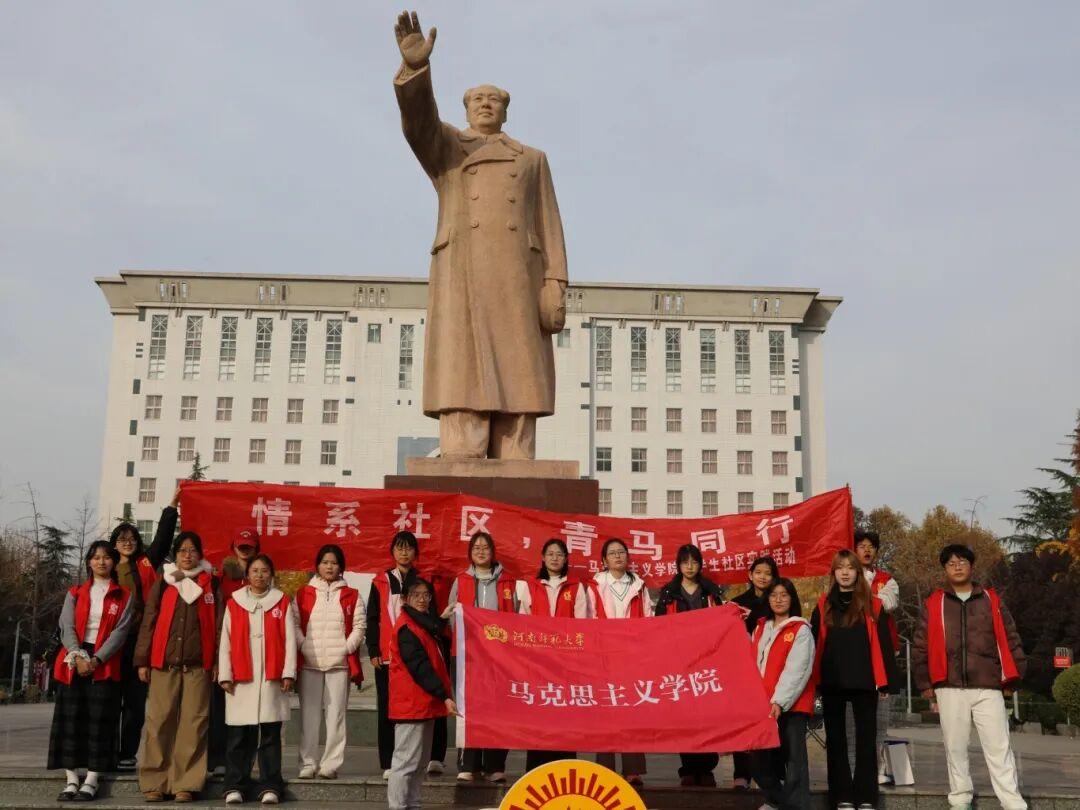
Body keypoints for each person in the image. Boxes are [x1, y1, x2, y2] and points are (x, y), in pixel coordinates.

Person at [392, 10, 569, 460]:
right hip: (464, 269)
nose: (486, 105)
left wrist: (555, 284)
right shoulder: (448, 147)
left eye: (494, 100)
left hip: (518, 278)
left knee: (519, 374)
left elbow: (549, 222)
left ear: (506, 109)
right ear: (466, 108)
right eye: (477, 100)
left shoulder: (531, 158)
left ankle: (514, 447)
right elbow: (418, 125)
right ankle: (463, 444)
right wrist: (416, 70)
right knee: (463, 371)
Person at [912, 544, 1027, 810]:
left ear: (971, 566)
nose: (957, 566)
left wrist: (1014, 678)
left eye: (962, 561)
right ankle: (960, 797)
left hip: (988, 684)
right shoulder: (934, 603)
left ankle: (1012, 801)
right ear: (945, 569)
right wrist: (925, 684)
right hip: (949, 685)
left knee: (999, 746)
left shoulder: (991, 600)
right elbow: (920, 646)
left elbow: (1011, 638)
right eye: (951, 563)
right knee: (955, 746)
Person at [134, 531, 220, 803]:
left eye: (192, 550)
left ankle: (187, 782)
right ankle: (155, 781)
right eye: (182, 550)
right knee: (159, 722)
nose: (187, 555)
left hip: (198, 666)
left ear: (200, 554)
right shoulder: (165, 581)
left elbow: (219, 626)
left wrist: (218, 660)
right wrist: (143, 659)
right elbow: (149, 620)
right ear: (176, 554)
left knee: (194, 725)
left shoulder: (210, 583)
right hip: (164, 663)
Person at [811, 549, 899, 810]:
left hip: (865, 681)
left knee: (866, 741)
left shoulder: (873, 604)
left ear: (858, 573)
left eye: (851, 567)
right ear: (834, 573)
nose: (846, 572)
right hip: (832, 682)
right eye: (840, 568)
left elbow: (883, 643)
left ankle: (866, 797)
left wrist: (886, 683)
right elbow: (815, 645)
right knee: (836, 741)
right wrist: (813, 683)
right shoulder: (823, 603)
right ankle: (841, 796)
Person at [48, 541, 136, 802]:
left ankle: (92, 780)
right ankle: (71, 779)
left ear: (114, 562)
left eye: (107, 557)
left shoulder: (123, 595)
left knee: (100, 720)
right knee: (70, 719)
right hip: (73, 660)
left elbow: (120, 633)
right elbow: (66, 625)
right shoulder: (75, 592)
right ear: (88, 562)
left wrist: (96, 660)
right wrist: (77, 655)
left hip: (104, 661)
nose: (101, 562)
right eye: (96, 557)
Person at [218, 554, 297, 806]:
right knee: (239, 735)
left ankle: (270, 785)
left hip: (271, 679)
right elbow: (225, 642)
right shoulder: (235, 603)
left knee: (271, 735)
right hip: (242, 679)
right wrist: (225, 674)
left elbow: (290, 640)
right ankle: (235, 785)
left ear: (271, 574)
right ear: (247, 575)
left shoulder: (281, 601)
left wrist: (288, 672)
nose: (260, 575)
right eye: (255, 570)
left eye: (264, 570)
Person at [367, 531, 447, 779]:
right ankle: (389, 762)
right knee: (387, 709)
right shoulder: (380, 582)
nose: (404, 552)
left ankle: (435, 757)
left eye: (409, 548)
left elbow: (431, 618)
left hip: (418, 653)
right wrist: (372, 649)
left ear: (415, 553)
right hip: (388, 656)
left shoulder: (423, 583)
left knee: (433, 702)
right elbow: (372, 618)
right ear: (392, 552)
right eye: (399, 548)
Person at [110, 492, 178, 772]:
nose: (128, 543)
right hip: (109, 644)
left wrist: (171, 508)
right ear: (114, 544)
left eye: (132, 539)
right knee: (109, 701)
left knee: (136, 702)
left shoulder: (146, 563)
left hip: (139, 642)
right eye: (122, 539)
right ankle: (104, 752)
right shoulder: (106, 567)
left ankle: (127, 753)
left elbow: (162, 538)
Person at [442, 531, 515, 783]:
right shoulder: (460, 580)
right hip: (466, 654)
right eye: (476, 548)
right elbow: (452, 614)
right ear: (470, 554)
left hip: (498, 657)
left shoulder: (507, 582)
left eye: (485, 547)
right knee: (467, 707)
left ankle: (495, 764)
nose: (481, 552)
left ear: (493, 552)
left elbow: (515, 616)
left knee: (498, 708)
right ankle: (467, 764)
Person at [654, 544, 727, 787]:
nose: (689, 566)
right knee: (684, 718)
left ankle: (706, 768)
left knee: (708, 717)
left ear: (700, 564)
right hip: (679, 663)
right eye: (685, 561)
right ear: (678, 564)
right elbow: (658, 628)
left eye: (694, 561)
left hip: (708, 662)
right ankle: (687, 767)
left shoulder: (712, 592)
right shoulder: (668, 593)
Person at [515, 538, 587, 771]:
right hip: (538, 664)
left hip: (567, 664)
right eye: (550, 554)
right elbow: (522, 622)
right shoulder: (530, 586)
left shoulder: (576, 587)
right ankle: (535, 769)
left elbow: (582, 625)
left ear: (566, 559)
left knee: (565, 717)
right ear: (543, 558)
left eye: (559, 554)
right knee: (539, 715)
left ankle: (565, 766)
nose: (555, 558)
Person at [294, 544, 365, 780]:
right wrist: (304, 645)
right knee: (309, 715)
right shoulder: (303, 593)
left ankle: (330, 764)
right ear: (317, 565)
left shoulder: (352, 594)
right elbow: (293, 623)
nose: (329, 566)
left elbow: (359, 627)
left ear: (341, 567)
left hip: (339, 665)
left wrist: (346, 649)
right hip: (310, 664)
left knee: (336, 716)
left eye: (334, 563)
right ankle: (308, 762)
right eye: (325, 562)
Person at [387, 578, 458, 810]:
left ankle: (413, 805)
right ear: (405, 598)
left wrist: (443, 619)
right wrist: (444, 695)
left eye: (426, 595)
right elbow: (420, 667)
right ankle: (398, 806)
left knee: (419, 764)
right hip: (411, 705)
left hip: (425, 704)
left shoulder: (424, 624)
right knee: (405, 763)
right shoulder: (407, 627)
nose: (421, 599)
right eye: (416, 595)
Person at [586, 538, 652, 786]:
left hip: (632, 657)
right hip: (604, 657)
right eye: (612, 553)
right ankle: (605, 769)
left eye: (621, 552)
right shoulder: (595, 586)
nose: (617, 556)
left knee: (632, 711)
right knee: (606, 713)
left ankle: (633, 770)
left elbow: (647, 619)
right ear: (603, 560)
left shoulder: (639, 586)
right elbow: (588, 619)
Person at [750, 578, 815, 810]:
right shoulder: (760, 628)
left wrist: (780, 701)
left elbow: (797, 670)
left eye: (784, 595)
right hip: (763, 705)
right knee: (760, 759)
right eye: (774, 595)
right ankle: (776, 800)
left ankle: (797, 805)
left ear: (792, 599)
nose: (778, 599)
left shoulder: (800, 630)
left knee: (794, 759)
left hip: (792, 705)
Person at [211, 527, 261, 777]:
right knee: (221, 709)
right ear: (234, 548)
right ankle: (219, 760)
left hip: (255, 651)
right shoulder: (220, 577)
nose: (245, 550)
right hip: (226, 648)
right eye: (241, 545)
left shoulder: (263, 577)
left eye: (249, 545)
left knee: (251, 710)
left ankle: (248, 760)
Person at [854, 529, 900, 785]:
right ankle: (855, 766)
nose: (867, 550)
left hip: (881, 654)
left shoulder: (887, 579)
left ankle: (878, 768)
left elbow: (889, 603)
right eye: (861, 545)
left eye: (871, 546)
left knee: (880, 718)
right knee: (854, 718)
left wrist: (862, 596)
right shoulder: (843, 576)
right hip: (855, 655)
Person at [730, 555, 780, 789]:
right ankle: (741, 774)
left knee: (768, 722)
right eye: (758, 572)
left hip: (771, 668)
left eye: (768, 573)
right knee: (742, 722)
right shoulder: (737, 603)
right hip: (742, 669)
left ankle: (767, 775)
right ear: (750, 575)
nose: (763, 577)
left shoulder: (779, 601)